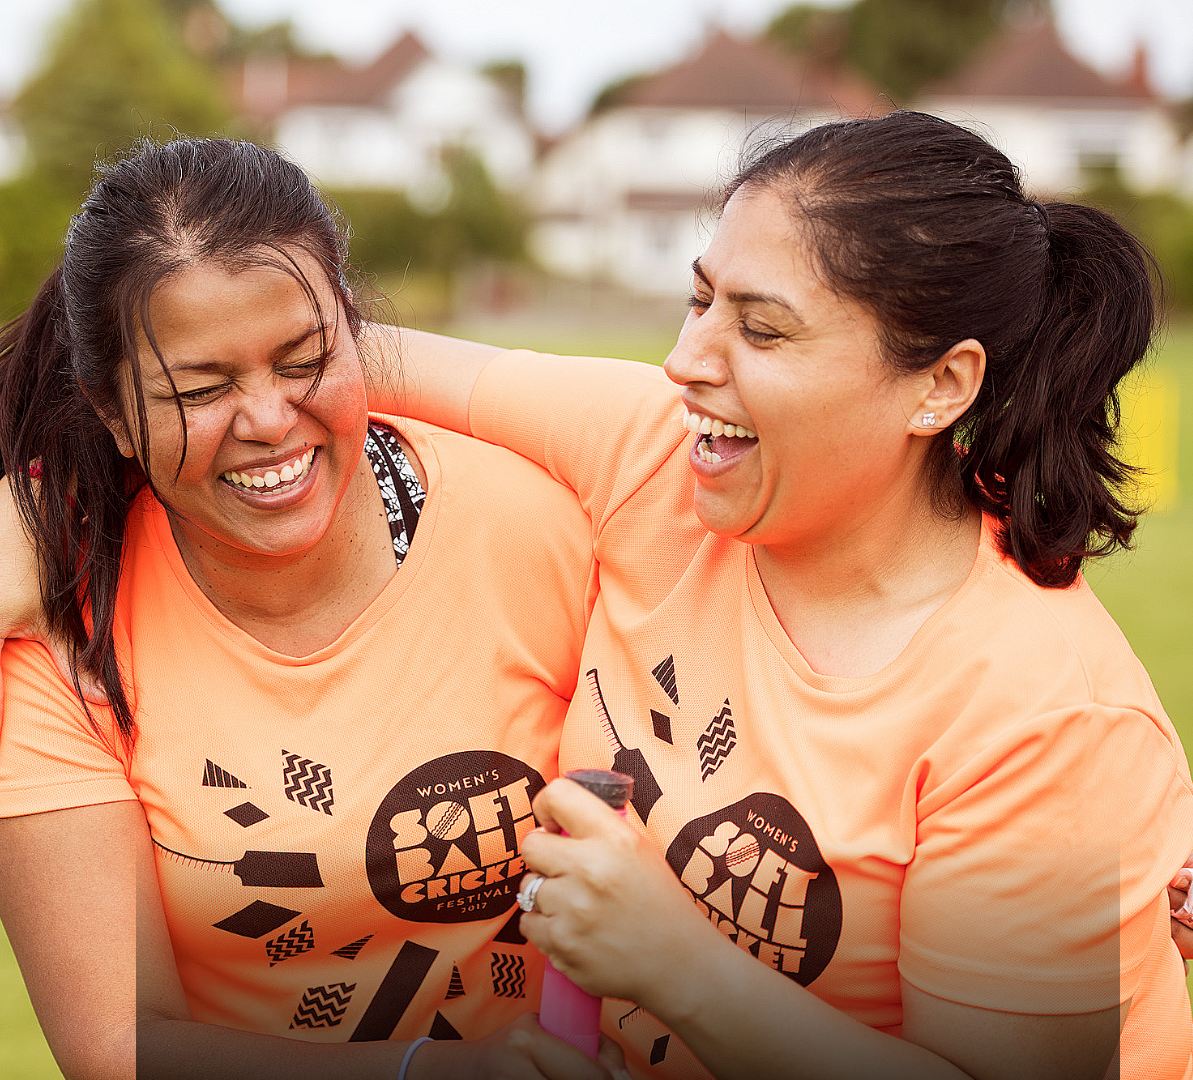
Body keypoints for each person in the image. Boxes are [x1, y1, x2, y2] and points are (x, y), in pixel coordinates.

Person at [353, 111, 1193, 1079]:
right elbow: (334, 359)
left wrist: (672, 963)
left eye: (759, 328)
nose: (685, 360)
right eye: (698, 300)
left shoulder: (1042, 707)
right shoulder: (654, 454)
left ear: (939, 386)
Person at [0, 137, 625, 1080]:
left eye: (305, 359)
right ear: (115, 415)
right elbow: (118, 1044)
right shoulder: (62, 632)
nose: (267, 420)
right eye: (201, 390)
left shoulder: (538, 525)